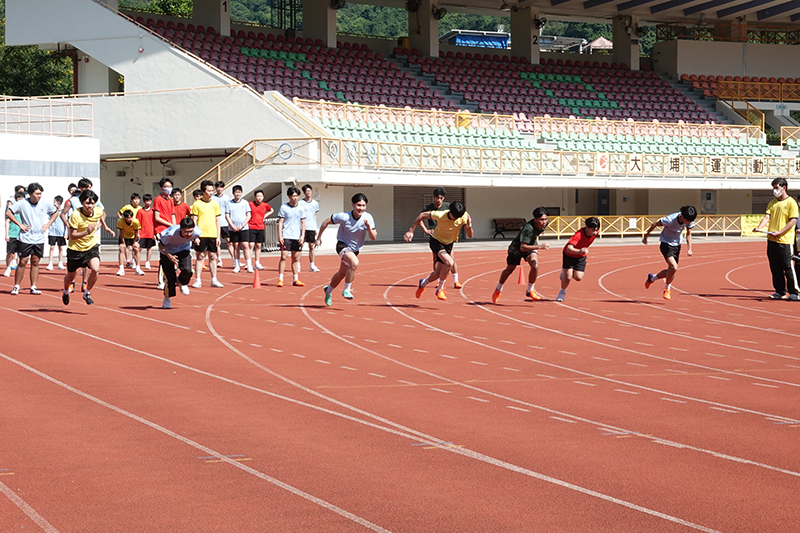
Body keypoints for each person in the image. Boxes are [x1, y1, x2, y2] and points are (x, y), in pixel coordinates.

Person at [316, 193, 377, 306]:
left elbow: (373, 237)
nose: (361, 208)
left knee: (342, 273)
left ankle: (328, 290)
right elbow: (325, 222)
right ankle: (347, 290)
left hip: (355, 249)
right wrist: (318, 238)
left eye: (363, 205)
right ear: (353, 205)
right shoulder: (344, 217)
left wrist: (369, 228)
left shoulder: (368, 217)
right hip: (342, 245)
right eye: (359, 205)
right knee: (354, 263)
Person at [405, 201, 472, 301]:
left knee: (437, 273)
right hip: (436, 241)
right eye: (455, 217)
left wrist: (469, 225)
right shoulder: (440, 215)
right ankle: (440, 289)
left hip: (448, 244)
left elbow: (470, 235)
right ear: (450, 212)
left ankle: (422, 284)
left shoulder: (463, 216)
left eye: (458, 217)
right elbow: (422, 215)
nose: (456, 219)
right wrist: (411, 230)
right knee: (449, 262)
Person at [6, 182, 59, 295]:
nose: (39, 196)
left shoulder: (45, 203)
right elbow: (9, 212)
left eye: (40, 193)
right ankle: (16, 286)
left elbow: (55, 212)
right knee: (23, 261)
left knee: (35, 262)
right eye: (37, 193)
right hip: (25, 238)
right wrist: (20, 225)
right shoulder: (22, 203)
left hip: (39, 238)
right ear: (30, 194)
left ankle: (33, 287)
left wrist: (48, 224)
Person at [492, 207, 551, 304]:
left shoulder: (545, 223)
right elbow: (522, 247)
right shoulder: (528, 229)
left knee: (535, 265)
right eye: (541, 220)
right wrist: (540, 246)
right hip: (517, 248)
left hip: (530, 245)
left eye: (545, 219)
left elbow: (540, 229)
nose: (544, 222)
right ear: (535, 219)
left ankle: (530, 290)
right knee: (510, 269)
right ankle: (498, 289)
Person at [753, 178, 799, 300]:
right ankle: (780, 291)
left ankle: (794, 292)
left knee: (787, 267)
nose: (774, 191)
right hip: (772, 240)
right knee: (775, 267)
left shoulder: (791, 203)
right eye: (773, 188)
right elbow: (767, 217)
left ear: (784, 188)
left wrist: (780, 232)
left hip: (785, 241)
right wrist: (759, 227)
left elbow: (792, 221)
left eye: (776, 188)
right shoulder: (772, 203)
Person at [643, 205, 697, 301]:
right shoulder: (670, 220)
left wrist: (689, 248)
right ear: (682, 216)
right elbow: (654, 224)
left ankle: (652, 278)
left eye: (690, 221)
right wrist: (646, 237)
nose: (689, 223)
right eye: (687, 221)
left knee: (671, 271)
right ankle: (667, 289)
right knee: (674, 267)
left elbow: (689, 234)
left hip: (677, 245)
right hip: (666, 244)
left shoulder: (689, 220)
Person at [62, 189, 103, 306]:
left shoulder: (98, 211)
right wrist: (86, 232)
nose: (90, 206)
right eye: (87, 203)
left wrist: (101, 225)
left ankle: (87, 292)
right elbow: (72, 235)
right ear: (81, 203)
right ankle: (66, 291)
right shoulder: (75, 216)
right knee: (70, 276)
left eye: (92, 203)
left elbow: (102, 215)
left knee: (95, 269)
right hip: (75, 249)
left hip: (91, 247)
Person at [418, 187, 462, 289]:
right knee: (436, 259)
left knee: (451, 257)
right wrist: (425, 230)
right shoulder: (428, 208)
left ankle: (456, 280)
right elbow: (420, 217)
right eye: (437, 198)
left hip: (447, 236)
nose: (439, 200)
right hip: (436, 236)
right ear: (433, 197)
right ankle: (438, 280)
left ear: (444, 198)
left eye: (441, 198)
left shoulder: (448, 207)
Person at [157, 217, 201, 309]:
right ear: (180, 229)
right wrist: (169, 256)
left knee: (188, 270)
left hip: (183, 249)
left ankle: (182, 282)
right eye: (186, 232)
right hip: (167, 251)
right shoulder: (171, 233)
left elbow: (194, 236)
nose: (189, 234)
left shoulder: (197, 232)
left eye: (191, 231)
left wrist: (195, 239)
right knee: (170, 278)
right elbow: (160, 245)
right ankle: (167, 299)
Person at [556, 217, 600, 302]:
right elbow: (569, 248)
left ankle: (566, 272)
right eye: (593, 230)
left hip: (580, 256)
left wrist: (580, 252)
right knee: (568, 277)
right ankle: (562, 292)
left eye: (596, 230)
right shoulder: (578, 235)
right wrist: (579, 251)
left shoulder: (595, 232)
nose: (595, 232)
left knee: (578, 277)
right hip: (569, 254)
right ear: (587, 228)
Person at [190, 180, 224, 288]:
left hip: (212, 234)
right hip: (201, 235)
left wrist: (218, 236)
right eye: (208, 190)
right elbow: (194, 221)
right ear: (203, 191)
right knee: (200, 257)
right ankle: (198, 280)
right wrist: (195, 236)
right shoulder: (197, 204)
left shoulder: (215, 204)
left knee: (212, 256)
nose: (211, 192)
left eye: (212, 190)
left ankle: (214, 279)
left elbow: (218, 221)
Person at [277, 187, 306, 287]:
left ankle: (295, 279)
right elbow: (280, 222)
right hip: (286, 235)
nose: (295, 198)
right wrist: (280, 235)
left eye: (297, 196)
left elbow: (303, 222)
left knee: (295, 259)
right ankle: (280, 279)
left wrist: (302, 235)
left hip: (296, 236)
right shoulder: (284, 207)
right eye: (293, 196)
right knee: (283, 257)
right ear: (289, 196)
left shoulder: (301, 208)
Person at [225, 184, 252, 273]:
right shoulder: (229, 203)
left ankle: (249, 265)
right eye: (236, 192)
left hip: (244, 228)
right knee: (235, 246)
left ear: (241, 193)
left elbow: (248, 215)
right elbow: (227, 216)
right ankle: (237, 265)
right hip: (233, 229)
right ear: (233, 193)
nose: (237, 194)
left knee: (245, 245)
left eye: (239, 192)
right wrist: (233, 226)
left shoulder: (245, 203)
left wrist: (242, 225)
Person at [248, 189, 273, 270]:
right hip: (251, 226)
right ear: (255, 197)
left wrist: (265, 216)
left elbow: (271, 210)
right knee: (251, 245)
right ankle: (249, 263)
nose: (259, 198)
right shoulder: (250, 204)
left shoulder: (265, 205)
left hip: (260, 227)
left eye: (261, 196)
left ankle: (257, 262)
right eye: (258, 196)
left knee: (258, 245)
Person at [117, 192, 142, 268]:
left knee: (135, 247)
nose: (136, 201)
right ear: (132, 200)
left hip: (135, 229)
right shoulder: (127, 207)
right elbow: (119, 213)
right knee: (126, 246)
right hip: (125, 230)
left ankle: (134, 261)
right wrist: (123, 221)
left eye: (138, 199)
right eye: (135, 199)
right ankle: (127, 260)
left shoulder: (140, 208)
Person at [116, 209, 143, 276]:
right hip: (124, 236)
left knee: (136, 248)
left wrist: (134, 243)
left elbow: (136, 233)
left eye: (131, 217)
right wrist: (123, 243)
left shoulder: (136, 222)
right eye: (128, 218)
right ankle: (121, 269)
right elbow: (121, 233)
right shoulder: (120, 221)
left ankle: (138, 268)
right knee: (121, 248)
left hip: (133, 236)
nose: (130, 219)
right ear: (124, 218)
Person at [4, 190, 24, 277]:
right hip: (12, 234)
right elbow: (7, 221)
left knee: (20, 254)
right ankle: (8, 267)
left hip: (21, 235)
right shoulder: (11, 210)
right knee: (10, 252)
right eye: (19, 199)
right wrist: (6, 234)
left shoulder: (24, 210)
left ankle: (19, 270)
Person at [301, 184, 321, 272]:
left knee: (311, 246)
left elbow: (315, 215)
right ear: (304, 192)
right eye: (307, 191)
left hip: (311, 227)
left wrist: (315, 228)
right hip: (303, 227)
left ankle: (312, 265)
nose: (308, 193)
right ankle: (298, 264)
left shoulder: (315, 203)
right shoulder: (300, 203)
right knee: (300, 246)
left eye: (309, 191)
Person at [46, 195, 68, 271]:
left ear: (58, 203)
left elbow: (66, 222)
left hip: (61, 232)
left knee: (61, 248)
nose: (53, 203)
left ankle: (60, 263)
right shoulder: (52, 211)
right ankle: (50, 263)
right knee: (52, 247)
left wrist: (66, 232)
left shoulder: (64, 212)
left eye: (54, 202)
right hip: (52, 232)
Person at [212, 180, 231, 267]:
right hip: (215, 223)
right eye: (218, 187)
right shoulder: (212, 198)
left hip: (225, 223)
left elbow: (228, 211)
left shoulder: (226, 198)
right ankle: (219, 260)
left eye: (221, 187)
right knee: (217, 242)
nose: (219, 189)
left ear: (223, 188)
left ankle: (234, 260)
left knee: (229, 242)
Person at [135, 194, 156, 270]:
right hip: (142, 233)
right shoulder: (140, 211)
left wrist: (154, 233)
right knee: (139, 248)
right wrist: (138, 233)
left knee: (149, 248)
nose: (148, 202)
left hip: (150, 233)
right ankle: (136, 261)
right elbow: (137, 223)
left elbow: (155, 222)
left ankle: (148, 262)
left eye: (149, 201)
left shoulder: (153, 211)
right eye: (147, 201)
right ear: (144, 201)